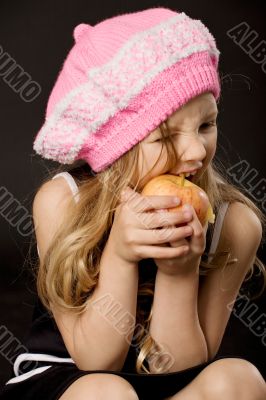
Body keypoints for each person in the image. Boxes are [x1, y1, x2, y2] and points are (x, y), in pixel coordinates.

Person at [1, 6, 266, 400]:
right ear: (117, 147)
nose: (196, 150)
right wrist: (121, 256)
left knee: (240, 379)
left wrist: (179, 270)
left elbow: (178, 367)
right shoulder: (61, 202)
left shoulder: (235, 223)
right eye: (163, 138)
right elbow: (97, 360)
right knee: (107, 392)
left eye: (206, 125)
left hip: (167, 383)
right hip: (74, 379)